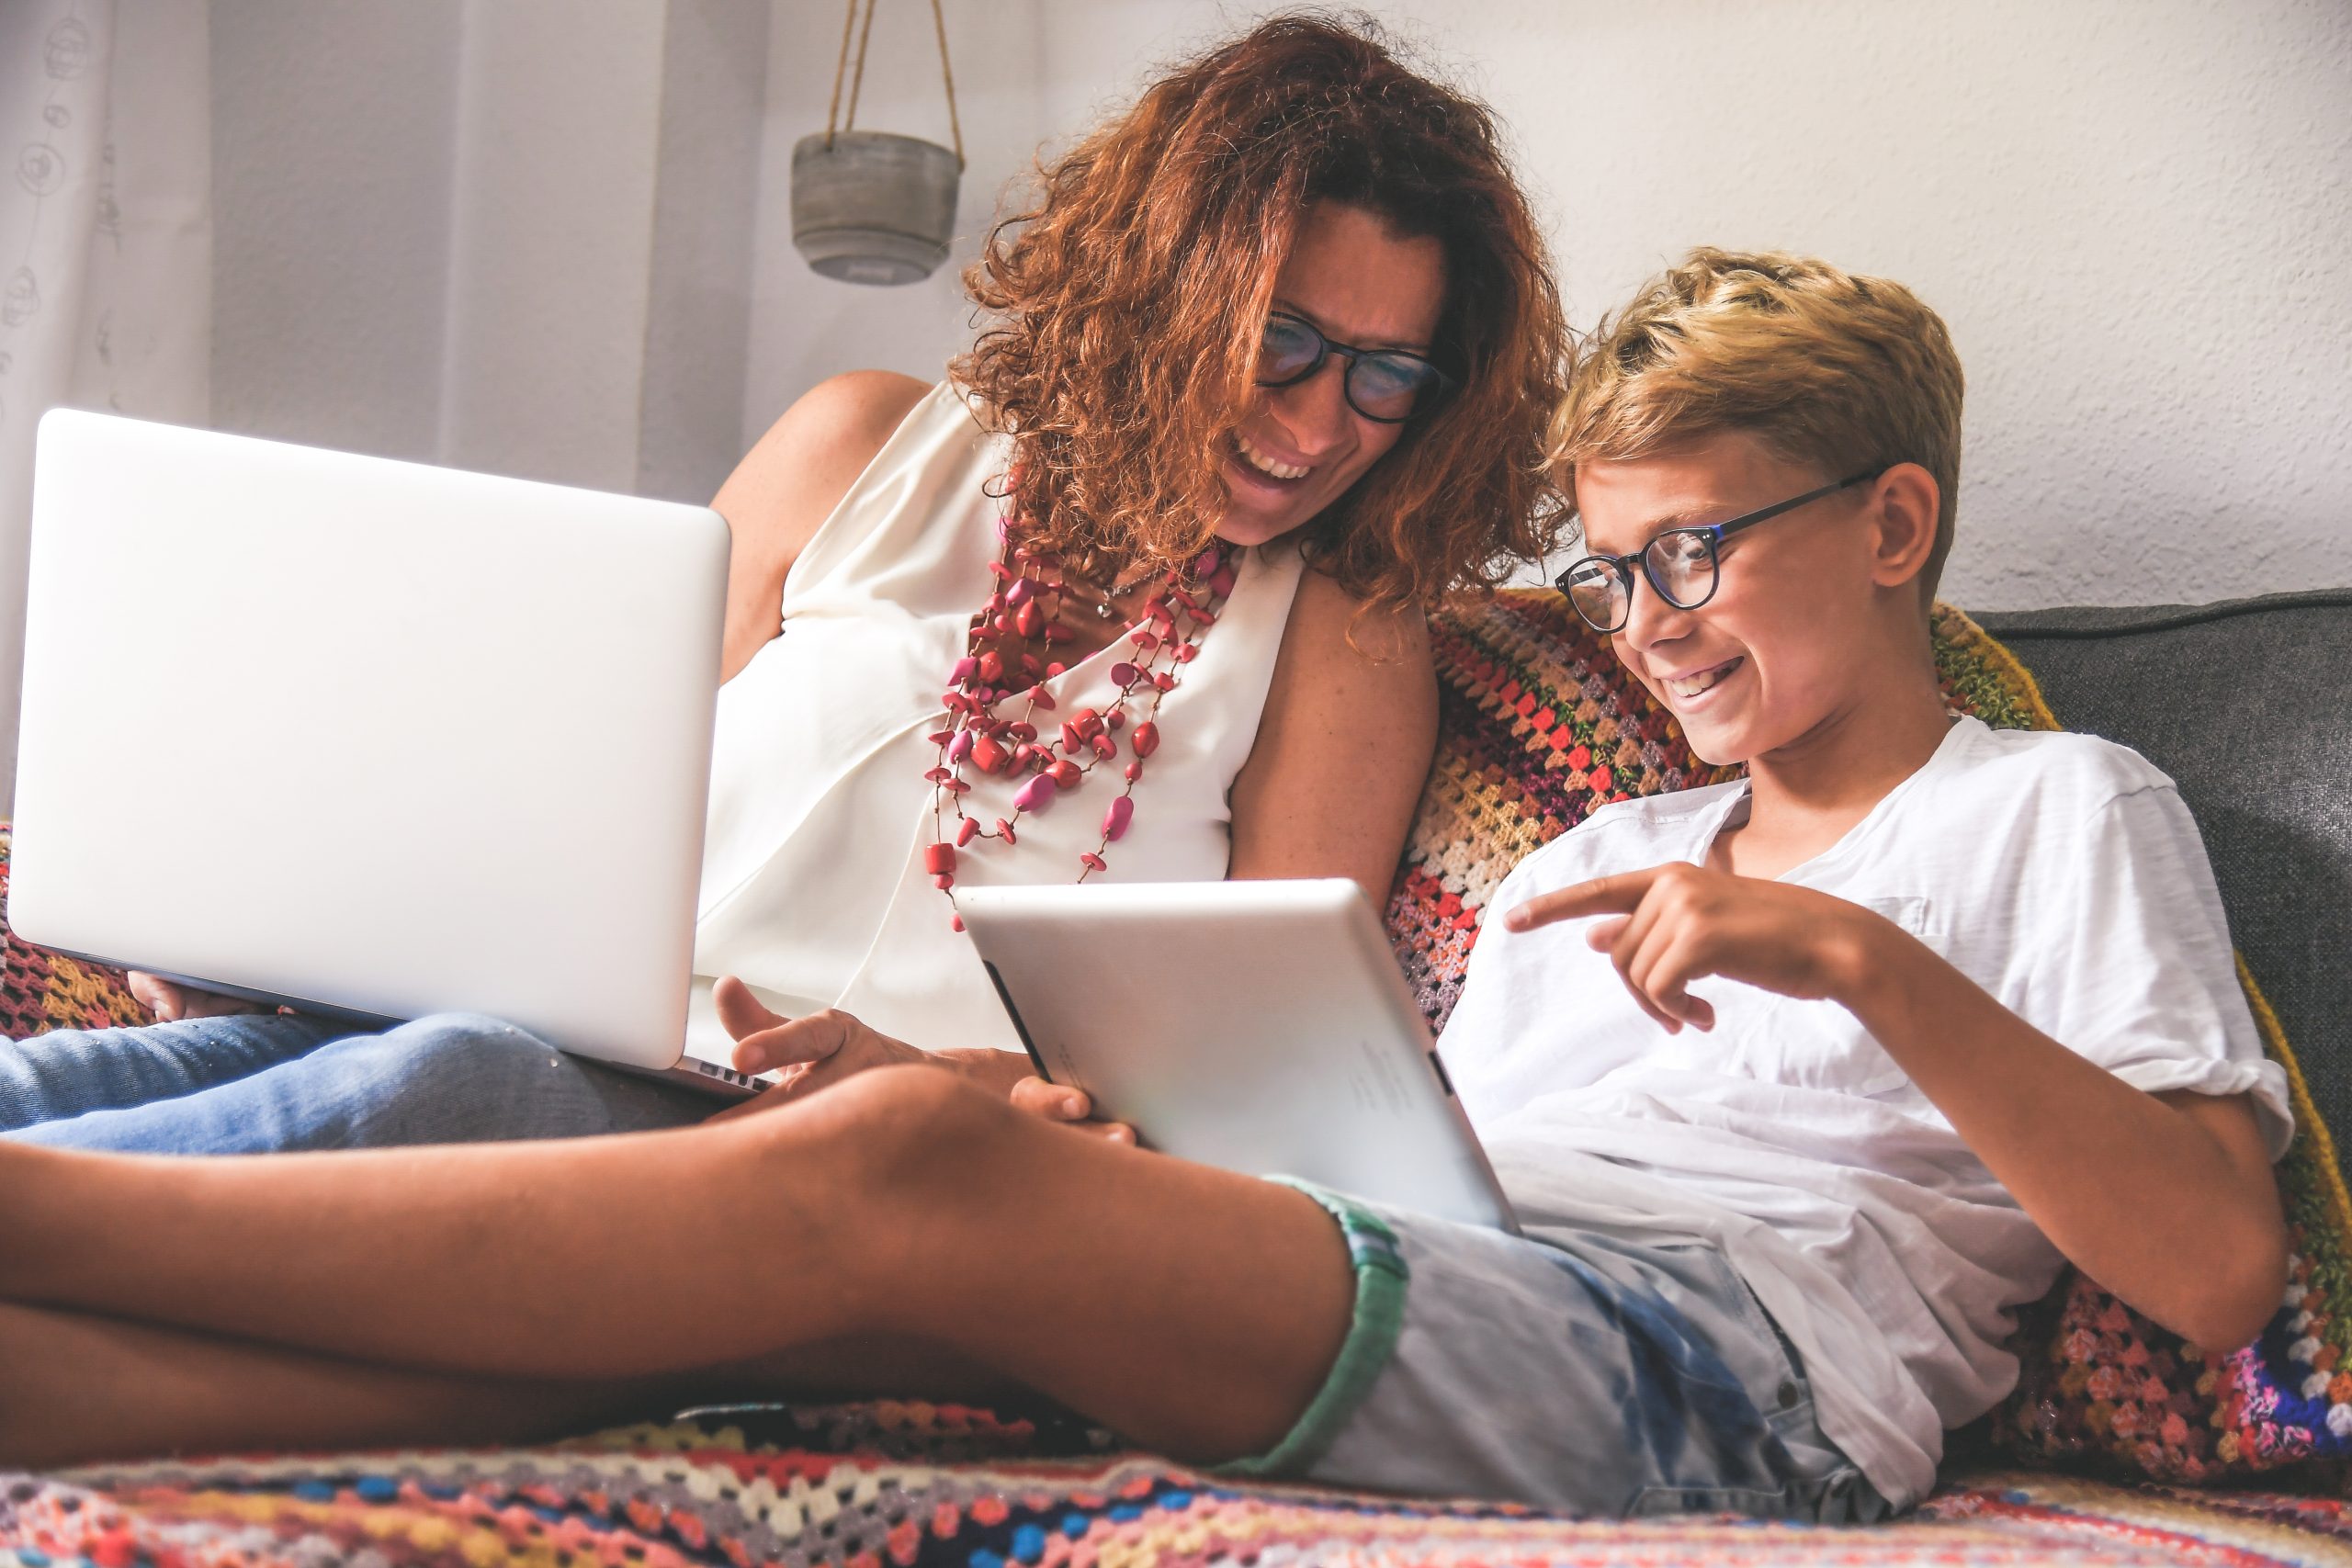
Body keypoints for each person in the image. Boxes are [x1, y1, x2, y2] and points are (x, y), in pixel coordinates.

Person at [0, 250, 2290, 1520]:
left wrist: (1862, 959)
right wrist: (1027, 1099)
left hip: (1724, 1374)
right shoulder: (1597, 849)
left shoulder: (2055, 808)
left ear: (1889, 525)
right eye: (1611, 572)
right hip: (1455, 1262)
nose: (1652, 618)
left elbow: (2204, 1267)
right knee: (726, 1191)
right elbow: (1389, 1181)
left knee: (891, 1164)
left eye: (1697, 546)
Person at [0, 15, 1566, 1154]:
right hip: (562, 1034)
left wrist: (971, 1096)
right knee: (103, 1085)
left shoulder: (1338, 638)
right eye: (1283, 340)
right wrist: (302, 928)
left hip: (834, 1150)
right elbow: (543, 801)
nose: (1313, 426)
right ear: (1166, 292)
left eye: (1385, 376)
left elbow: (1270, 1104)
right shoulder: (859, 446)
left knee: (432, 1093)